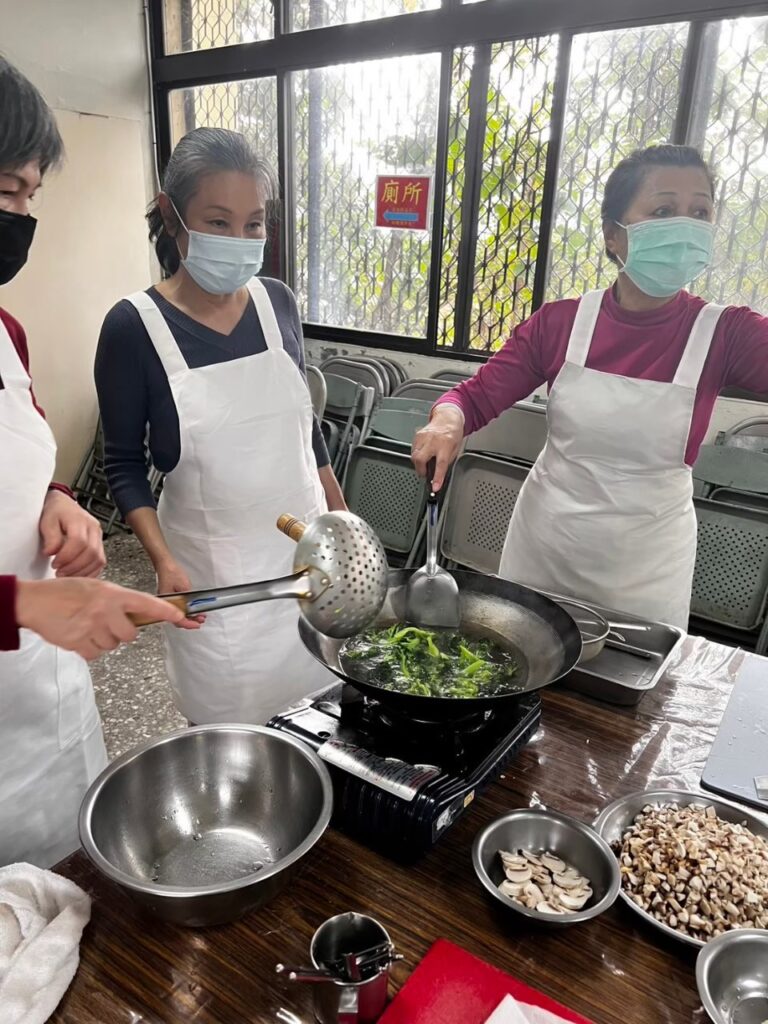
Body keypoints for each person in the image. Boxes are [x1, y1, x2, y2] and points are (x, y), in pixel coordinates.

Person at [413, 145, 768, 629]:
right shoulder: (561, 323)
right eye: (663, 210)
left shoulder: (726, 334)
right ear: (613, 236)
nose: (684, 226)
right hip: (546, 547)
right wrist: (446, 420)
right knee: (521, 669)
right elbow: (472, 397)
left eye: (700, 212)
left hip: (646, 568)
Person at [0, 56, 186, 868]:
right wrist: (22, 606)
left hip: (43, 708)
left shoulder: (3, 333)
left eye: (30, 196)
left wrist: (54, 501)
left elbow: (23, 447)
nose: (22, 218)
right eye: (8, 191)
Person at [95, 128, 346, 726]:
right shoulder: (134, 329)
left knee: (321, 728)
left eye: (254, 224)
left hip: (305, 573)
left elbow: (304, 431)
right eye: (219, 221)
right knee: (235, 756)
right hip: (217, 591)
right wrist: (162, 561)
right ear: (171, 214)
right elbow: (124, 463)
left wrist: (342, 525)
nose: (240, 239)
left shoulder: (278, 303)